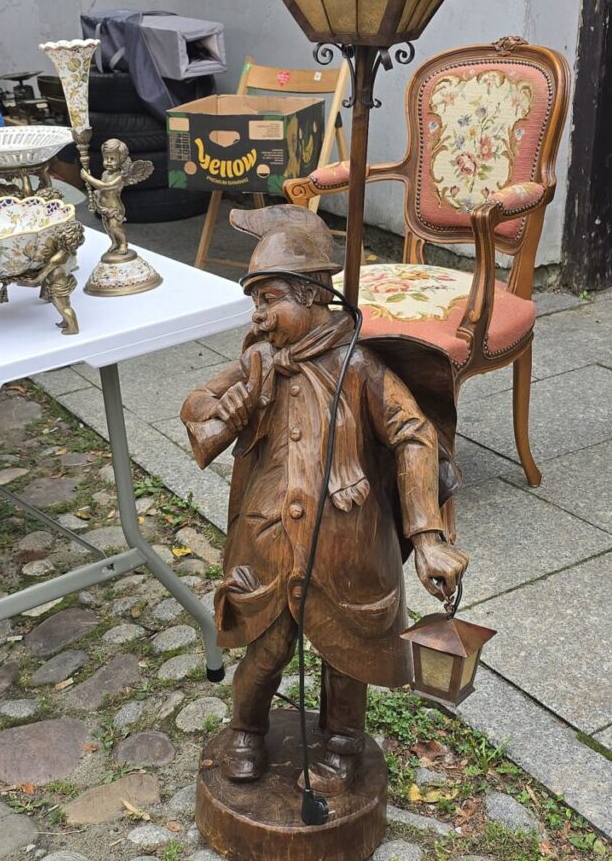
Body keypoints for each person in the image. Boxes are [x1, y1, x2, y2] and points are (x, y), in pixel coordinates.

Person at [181, 205, 468, 793]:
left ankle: (342, 747)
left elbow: (414, 435)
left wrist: (427, 536)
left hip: (347, 546)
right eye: (254, 303)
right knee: (266, 649)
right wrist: (227, 405)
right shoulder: (257, 362)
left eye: (270, 300)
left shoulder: (357, 365)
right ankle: (246, 729)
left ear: (313, 295)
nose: (259, 316)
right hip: (266, 541)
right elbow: (197, 404)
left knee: (346, 656)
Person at [80, 138, 152, 260]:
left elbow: (105, 186)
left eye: (112, 159)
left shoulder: (120, 177)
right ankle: (114, 242)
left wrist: (88, 178)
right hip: (103, 206)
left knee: (115, 227)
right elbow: (102, 190)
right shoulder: (105, 174)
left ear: (121, 160)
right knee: (107, 227)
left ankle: (123, 243)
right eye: (106, 158)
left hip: (115, 208)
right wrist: (97, 194)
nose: (108, 162)